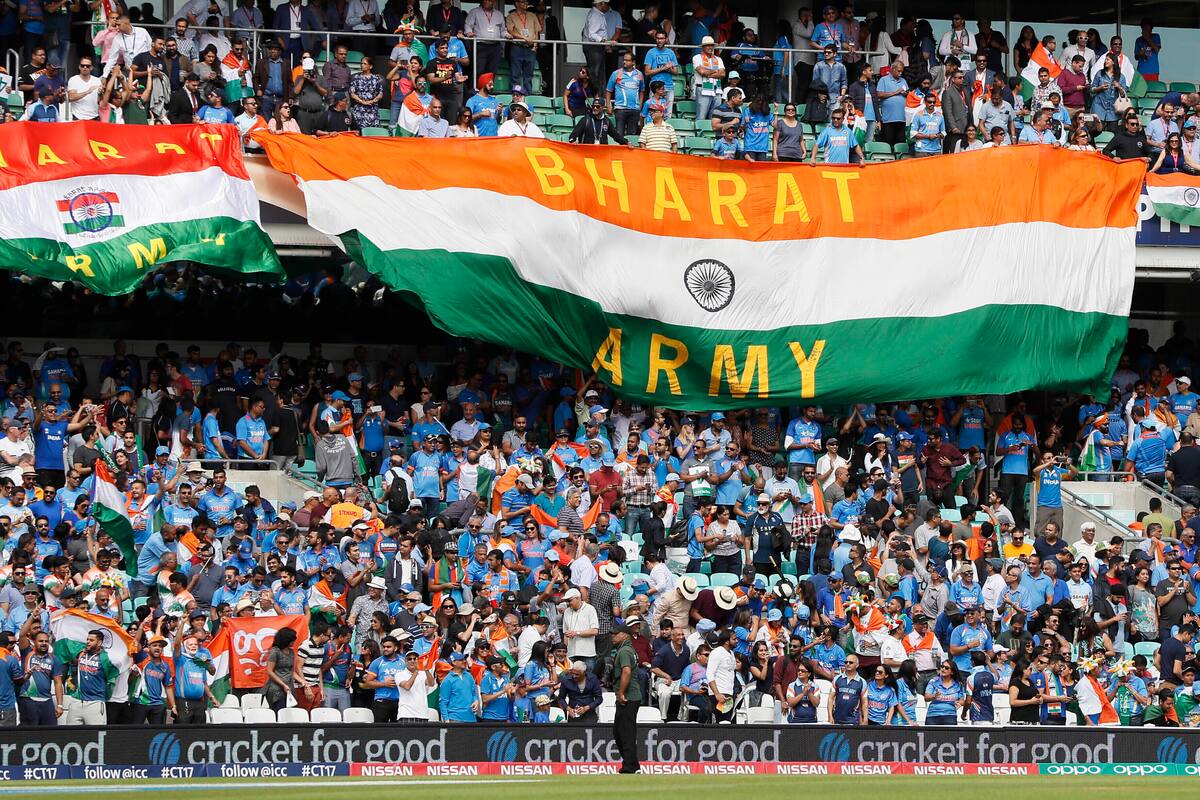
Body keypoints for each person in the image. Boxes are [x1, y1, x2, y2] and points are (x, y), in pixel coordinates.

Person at [611, 623, 640, 773]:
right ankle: (632, 764)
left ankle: (630, 766)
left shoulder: (624, 651)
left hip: (628, 696)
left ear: (625, 635)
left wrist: (621, 693)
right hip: (631, 696)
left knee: (625, 732)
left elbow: (626, 672)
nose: (612, 636)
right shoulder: (628, 649)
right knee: (620, 731)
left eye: (616, 634)